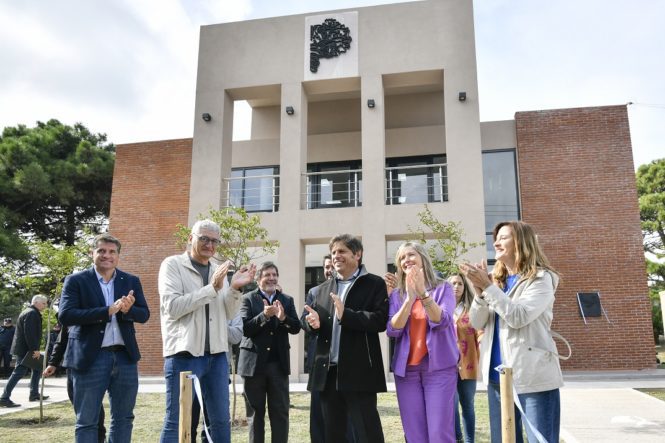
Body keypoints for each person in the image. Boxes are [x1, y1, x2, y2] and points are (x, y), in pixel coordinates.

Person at [462, 221, 563, 443]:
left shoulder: (541, 279)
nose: (496, 242)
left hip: (531, 376)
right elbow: (477, 323)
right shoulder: (495, 281)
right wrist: (480, 293)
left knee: (541, 440)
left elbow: (518, 317)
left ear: (521, 242)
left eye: (503, 237)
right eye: (495, 238)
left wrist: (487, 288)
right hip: (497, 377)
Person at [158, 219, 256, 443]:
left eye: (214, 241)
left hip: (217, 356)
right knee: (177, 421)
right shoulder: (172, 265)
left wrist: (234, 289)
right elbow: (173, 308)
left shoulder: (217, 269)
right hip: (184, 355)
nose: (209, 245)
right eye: (204, 238)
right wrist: (211, 288)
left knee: (220, 421)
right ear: (191, 238)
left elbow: (228, 314)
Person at [58, 233, 150, 442]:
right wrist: (105, 311)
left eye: (112, 252)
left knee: (124, 418)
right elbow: (66, 315)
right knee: (87, 421)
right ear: (92, 253)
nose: (106, 256)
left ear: (118, 256)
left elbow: (144, 314)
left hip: (125, 357)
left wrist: (128, 310)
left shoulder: (131, 280)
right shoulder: (76, 281)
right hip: (91, 358)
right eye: (101, 251)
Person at [302, 234, 388, 442]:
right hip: (327, 373)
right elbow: (306, 321)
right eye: (333, 253)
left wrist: (346, 315)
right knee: (333, 434)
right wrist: (311, 324)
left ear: (357, 254)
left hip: (360, 371)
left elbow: (380, 321)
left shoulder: (374, 284)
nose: (336, 256)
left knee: (367, 431)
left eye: (342, 251)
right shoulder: (319, 290)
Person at [384, 242, 459, 443]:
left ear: (422, 258)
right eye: (401, 258)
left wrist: (423, 294)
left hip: (439, 369)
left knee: (439, 434)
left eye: (411, 255)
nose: (406, 260)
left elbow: (442, 321)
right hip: (406, 372)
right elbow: (392, 330)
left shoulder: (444, 288)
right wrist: (409, 299)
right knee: (414, 434)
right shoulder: (398, 295)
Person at [238, 261, 301, 443]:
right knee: (255, 415)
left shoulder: (287, 300)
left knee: (280, 413)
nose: (271, 278)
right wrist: (264, 315)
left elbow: (296, 327)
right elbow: (245, 329)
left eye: (274, 275)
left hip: (278, 366)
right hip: (253, 367)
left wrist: (283, 318)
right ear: (259, 279)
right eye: (267, 275)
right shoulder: (248, 299)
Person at [44, 325, 107, 443]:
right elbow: (62, 339)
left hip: (92, 363)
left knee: (92, 406)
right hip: (74, 363)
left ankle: (99, 437)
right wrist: (53, 362)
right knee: (80, 405)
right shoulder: (71, 313)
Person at [191, 313, 244, 442]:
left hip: (218, 369)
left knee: (214, 423)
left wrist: (216, 323)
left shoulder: (231, 303)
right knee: (189, 421)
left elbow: (236, 336)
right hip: (192, 367)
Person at [301, 255, 334, 443]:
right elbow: (302, 321)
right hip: (320, 360)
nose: (329, 269)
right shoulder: (314, 292)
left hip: (343, 361)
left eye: (332, 266)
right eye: (326, 267)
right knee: (319, 411)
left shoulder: (350, 291)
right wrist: (311, 322)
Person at [448, 273, 481, 443]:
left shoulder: (472, 310)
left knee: (467, 404)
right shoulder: (441, 308)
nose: (456, 286)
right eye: (453, 283)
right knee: (451, 405)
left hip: (468, 364)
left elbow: (481, 333)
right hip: (447, 366)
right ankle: (457, 438)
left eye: (460, 283)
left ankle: (469, 441)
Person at [0, 295, 49, 407]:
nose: (46, 306)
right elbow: (30, 333)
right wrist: (34, 350)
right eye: (44, 303)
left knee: (37, 368)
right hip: (25, 349)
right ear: (36, 302)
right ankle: (4, 397)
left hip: (25, 348)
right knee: (19, 372)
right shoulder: (31, 313)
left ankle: (34, 394)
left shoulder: (29, 311)